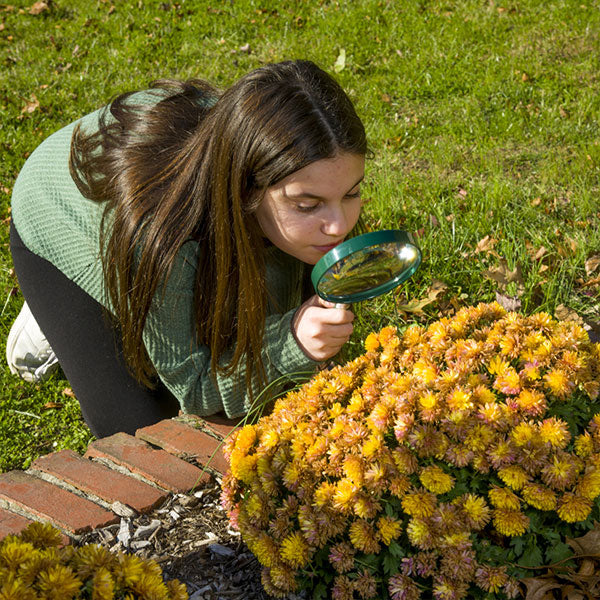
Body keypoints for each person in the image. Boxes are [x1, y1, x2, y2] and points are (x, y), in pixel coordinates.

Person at [6, 60, 367, 439]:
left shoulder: (315, 177)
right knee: (144, 437)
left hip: (169, 213)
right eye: (307, 205)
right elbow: (194, 387)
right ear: (247, 187)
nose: (339, 225)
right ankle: (83, 302)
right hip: (62, 215)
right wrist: (291, 343)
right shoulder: (165, 239)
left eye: (352, 193)